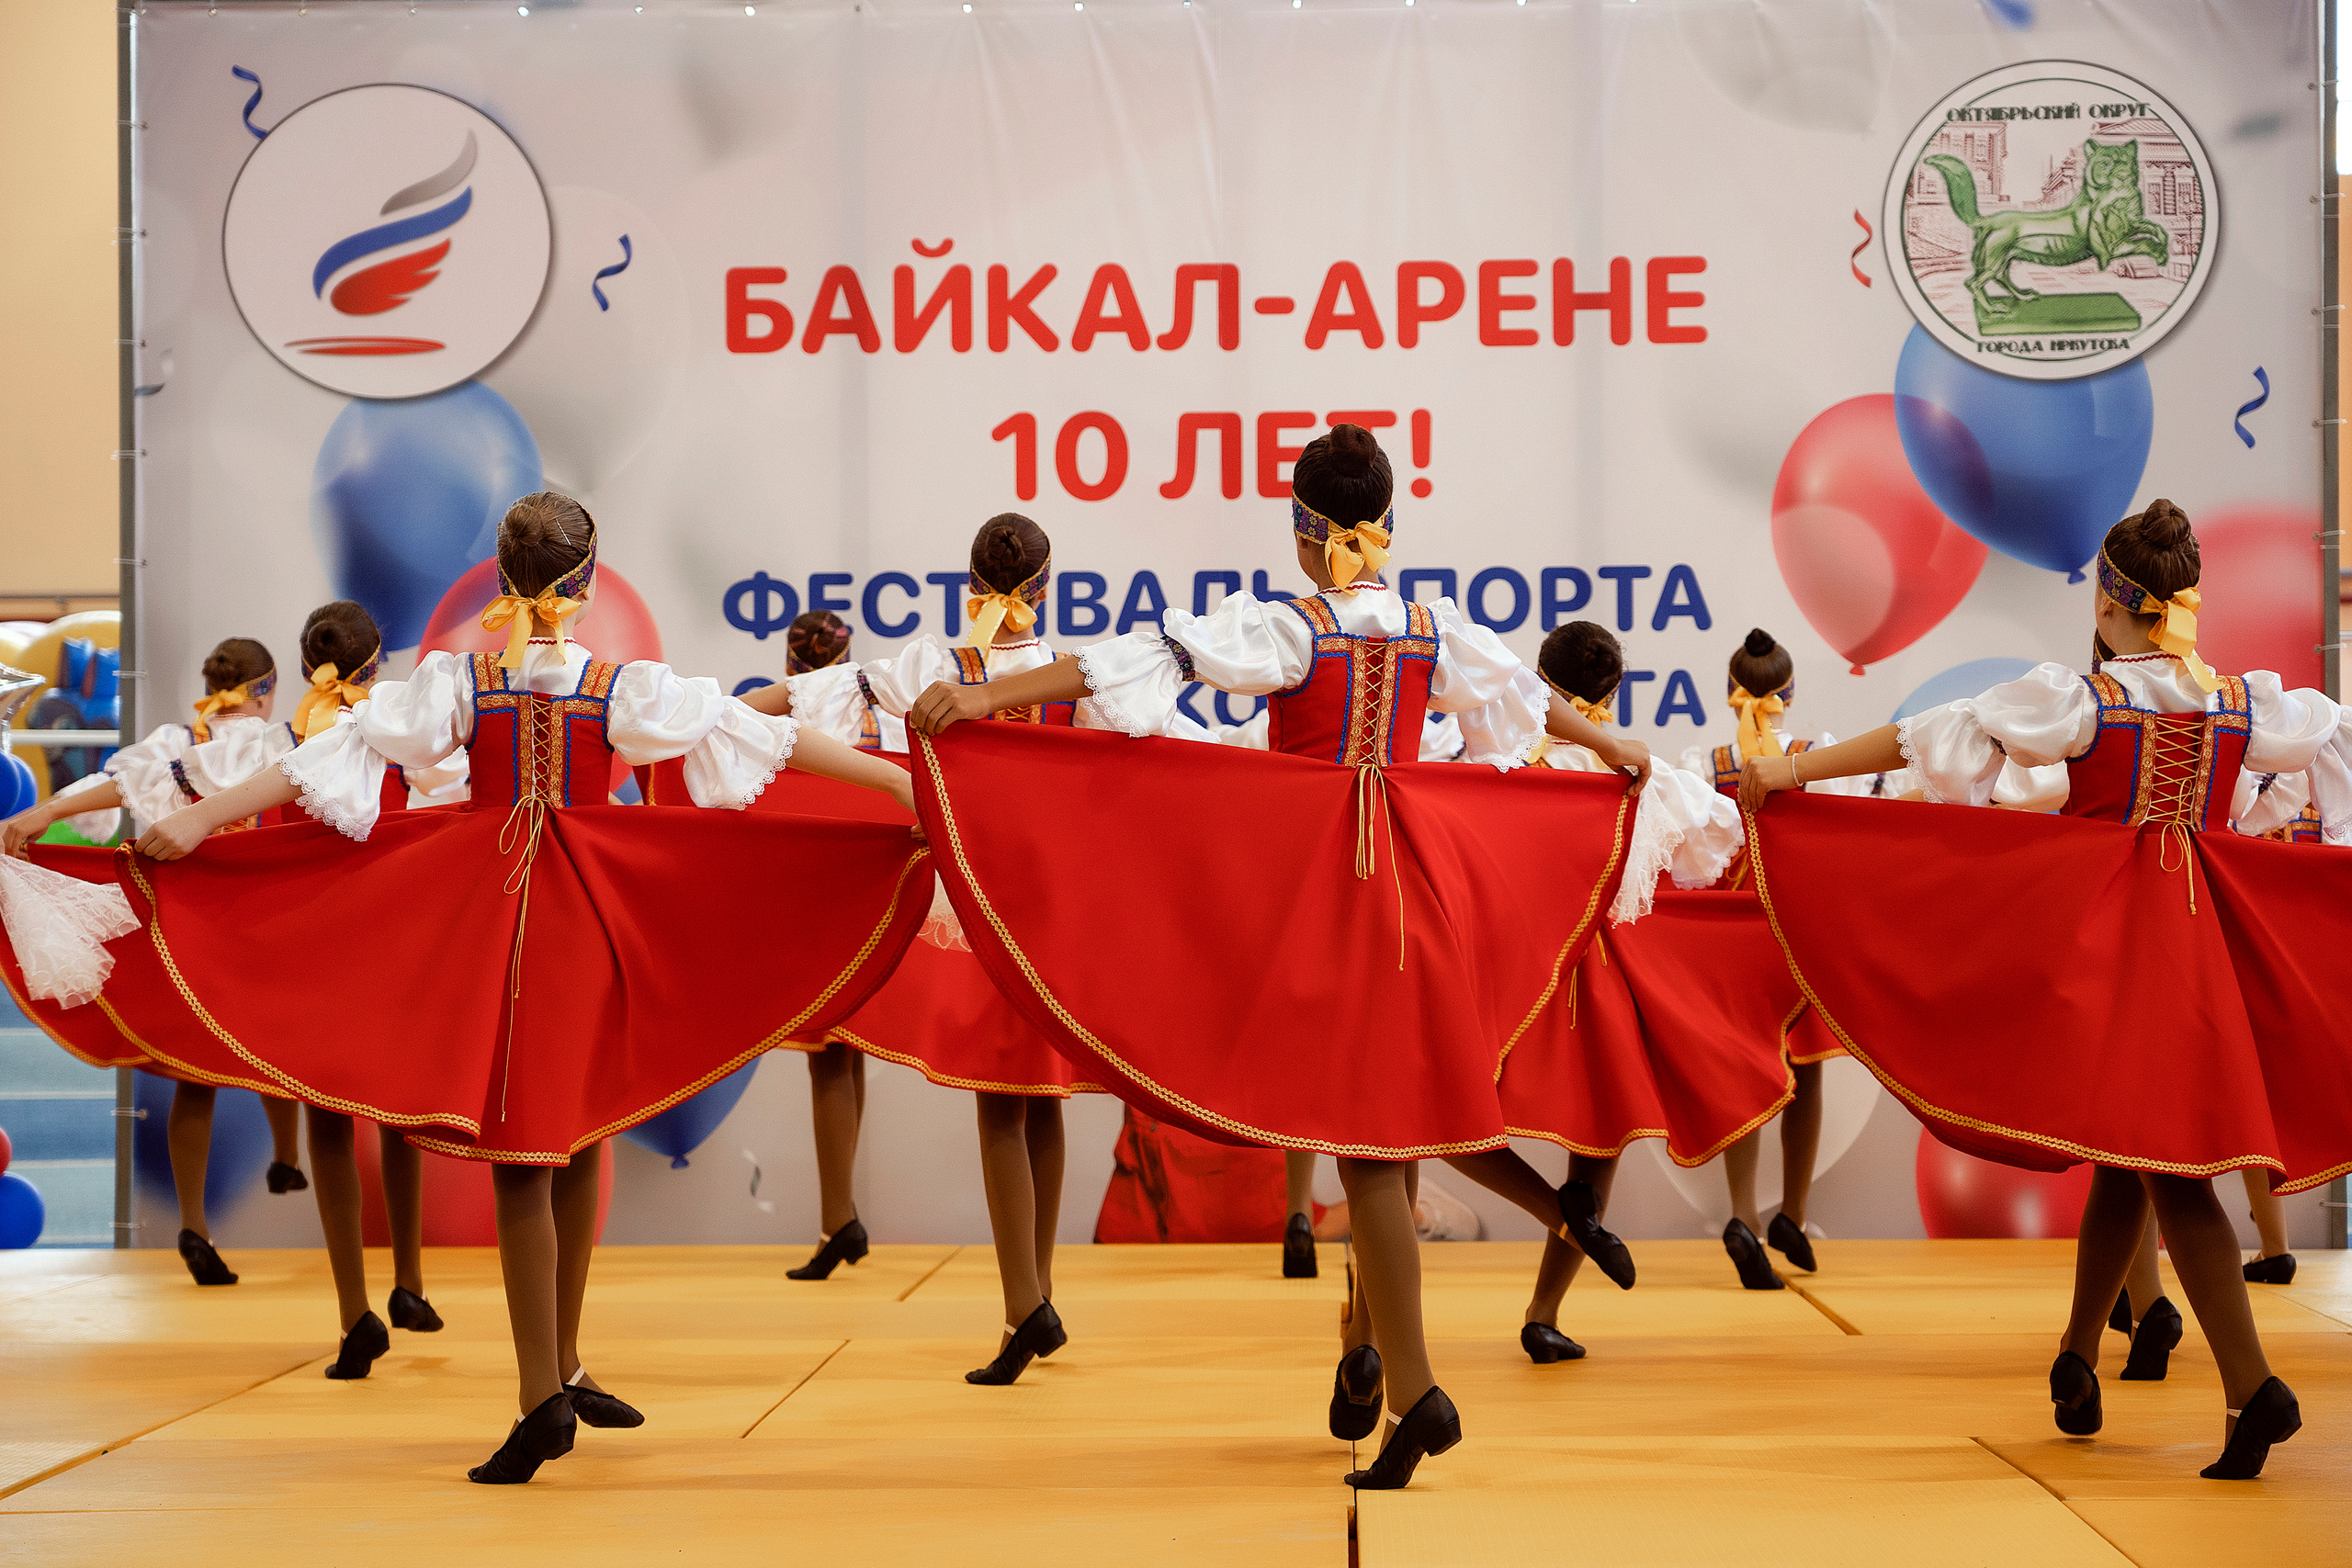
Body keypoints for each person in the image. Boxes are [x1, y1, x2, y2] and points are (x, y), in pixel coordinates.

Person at [118, 492, 931, 1483]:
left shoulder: (464, 680)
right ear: (585, 580)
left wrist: (204, 818)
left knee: (529, 1148)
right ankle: (557, 1373)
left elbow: (335, 755)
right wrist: (894, 782)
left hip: (504, 912)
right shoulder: (615, 685)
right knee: (570, 1132)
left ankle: (546, 1389)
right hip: (586, 913)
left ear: (505, 581)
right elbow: (756, 733)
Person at [904, 425, 1651, 1488]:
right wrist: (1615, 744)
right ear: (1383, 526)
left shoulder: (1292, 627)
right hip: (1416, 887)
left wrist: (985, 698)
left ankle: (1415, 1391)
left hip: (1326, 891)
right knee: (1385, 1127)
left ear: (1305, 536)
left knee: (1364, 1141)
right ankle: (1374, 1359)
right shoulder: (1433, 627)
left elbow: (1140, 658)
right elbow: (1525, 708)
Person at [1740, 498, 2345, 1480]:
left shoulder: (2082, 700)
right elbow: (2331, 745)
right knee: (2127, 1151)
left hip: (2121, 952)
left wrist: (1792, 770)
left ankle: (2253, 1385)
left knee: (2172, 1167)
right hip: (2206, 945)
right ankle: (2076, 1355)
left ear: (2107, 603)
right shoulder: (2246, 703)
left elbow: (1931, 735)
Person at [741, 518, 1106, 1381]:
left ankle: (1023, 1307)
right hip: (1049, 904)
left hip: (978, 899)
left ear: (969, 585)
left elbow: (815, 694)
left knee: (1000, 1100)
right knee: (1042, 1095)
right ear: (1047, 587)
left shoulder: (935, 666)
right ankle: (1039, 1289)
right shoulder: (1074, 674)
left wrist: (722, 713)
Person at [1503, 621, 1792, 1356]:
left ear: (1539, 675)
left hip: (1513, 966)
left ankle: (1548, 1217)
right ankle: (1544, 1309)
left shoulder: (1500, 750)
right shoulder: (1637, 769)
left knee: (1436, 1113)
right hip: (1597, 969)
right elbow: (1721, 836)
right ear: (1611, 693)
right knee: (1596, 1140)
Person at [0, 636, 308, 1284]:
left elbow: (114, 786)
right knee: (281, 1044)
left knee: (196, 1078)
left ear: (210, 687)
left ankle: (194, 1222)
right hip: (262, 924)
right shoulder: (284, 744)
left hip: (188, 932)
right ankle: (286, 1155)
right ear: (267, 689)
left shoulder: (177, 743)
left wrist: (47, 811)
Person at [1679, 627, 1890, 1290]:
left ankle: (1743, 1213)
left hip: (1732, 943)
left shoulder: (1704, 765)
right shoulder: (1813, 758)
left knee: (1741, 1074)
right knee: (1807, 1073)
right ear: (1788, 693)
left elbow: (1687, 858)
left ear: (1730, 692)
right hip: (1797, 935)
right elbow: (1852, 836)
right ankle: (1794, 1213)